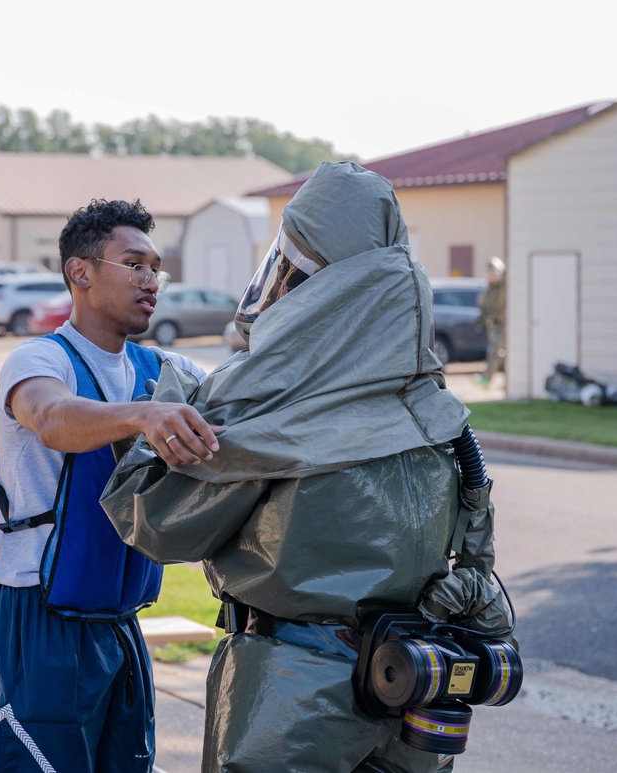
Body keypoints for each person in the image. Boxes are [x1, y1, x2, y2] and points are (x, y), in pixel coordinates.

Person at [101, 163, 515, 772]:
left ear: (317, 279)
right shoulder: (437, 412)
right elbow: (474, 563)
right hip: (412, 691)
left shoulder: (264, 399)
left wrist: (158, 418)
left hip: (285, 698)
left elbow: (159, 524)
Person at [0, 198, 220, 772]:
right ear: (80, 273)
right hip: (42, 621)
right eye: (134, 264)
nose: (151, 279)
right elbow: (54, 419)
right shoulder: (37, 359)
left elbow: (254, 404)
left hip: (121, 619)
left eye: (156, 267)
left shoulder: (166, 371)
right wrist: (143, 416)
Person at [477, 256, 507, 388]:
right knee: (497, 352)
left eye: (493, 273)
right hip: (493, 324)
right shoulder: (490, 289)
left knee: (498, 351)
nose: (491, 276)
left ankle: (487, 378)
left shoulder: (504, 287)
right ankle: (490, 379)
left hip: (503, 324)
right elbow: (484, 305)